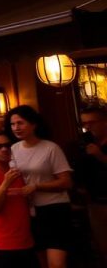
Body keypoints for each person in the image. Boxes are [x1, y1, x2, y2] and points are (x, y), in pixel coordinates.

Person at [6, 105, 72, 268]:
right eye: (12, 124)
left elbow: (66, 182)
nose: (16, 128)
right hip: (28, 211)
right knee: (40, 261)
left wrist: (36, 186)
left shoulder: (50, 148)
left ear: (33, 124)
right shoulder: (13, 149)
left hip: (55, 208)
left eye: (20, 123)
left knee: (56, 263)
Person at [0, 131, 39, 268]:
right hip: (5, 243)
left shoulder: (18, 173)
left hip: (27, 240)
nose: (4, 149)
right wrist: (5, 184)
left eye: (7, 145)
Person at [75, 104, 107, 265]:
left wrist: (101, 156)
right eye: (84, 123)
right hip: (95, 203)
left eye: (92, 122)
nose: (87, 127)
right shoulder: (85, 145)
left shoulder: (97, 149)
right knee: (102, 247)